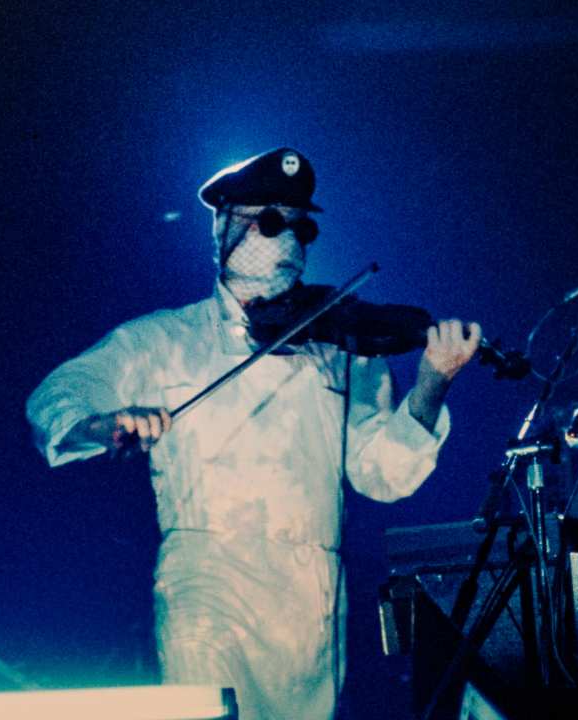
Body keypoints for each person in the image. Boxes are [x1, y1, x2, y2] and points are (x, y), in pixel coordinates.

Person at [26, 147, 482, 719]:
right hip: (208, 582)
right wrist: (103, 422)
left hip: (311, 598)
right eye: (268, 222)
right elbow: (60, 393)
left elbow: (381, 473)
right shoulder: (164, 339)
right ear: (222, 227)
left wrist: (431, 385)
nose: (287, 241)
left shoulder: (338, 345)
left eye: (300, 227)